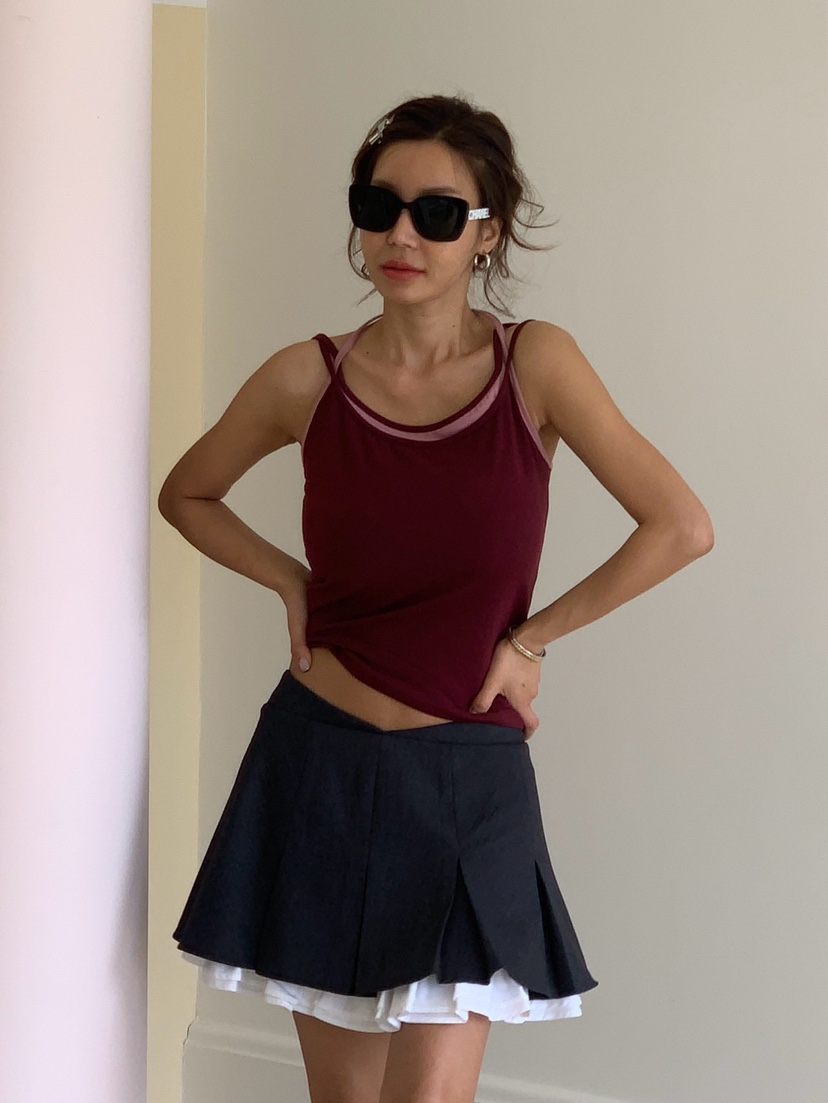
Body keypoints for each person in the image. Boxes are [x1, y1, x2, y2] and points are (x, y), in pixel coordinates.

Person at [159, 94, 714, 1103]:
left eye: (438, 213)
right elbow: (187, 492)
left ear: (487, 232)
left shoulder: (535, 363)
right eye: (379, 207)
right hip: (318, 762)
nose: (402, 235)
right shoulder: (306, 378)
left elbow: (679, 524)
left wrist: (535, 639)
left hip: (466, 774)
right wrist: (287, 577)